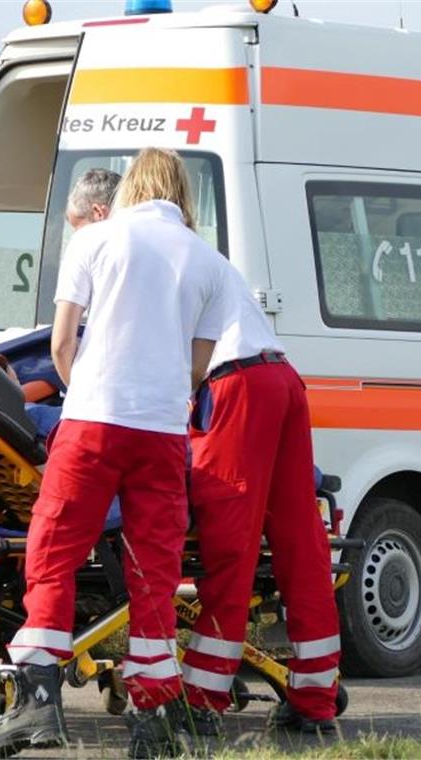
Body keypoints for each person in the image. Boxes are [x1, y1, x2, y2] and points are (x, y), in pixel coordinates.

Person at [0, 148, 231, 760]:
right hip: (161, 432)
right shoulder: (210, 263)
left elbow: (62, 341)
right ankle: (152, 717)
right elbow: (198, 367)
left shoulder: (96, 241)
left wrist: (84, 384)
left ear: (133, 186)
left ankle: (38, 704)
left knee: (53, 551)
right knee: (155, 571)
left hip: (91, 423)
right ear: (183, 194)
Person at [179, 265, 342, 736]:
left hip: (235, 387)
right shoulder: (205, 256)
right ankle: (316, 696)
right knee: (301, 542)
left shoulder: (142, 257)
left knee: (229, 547)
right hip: (281, 378)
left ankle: (203, 698)